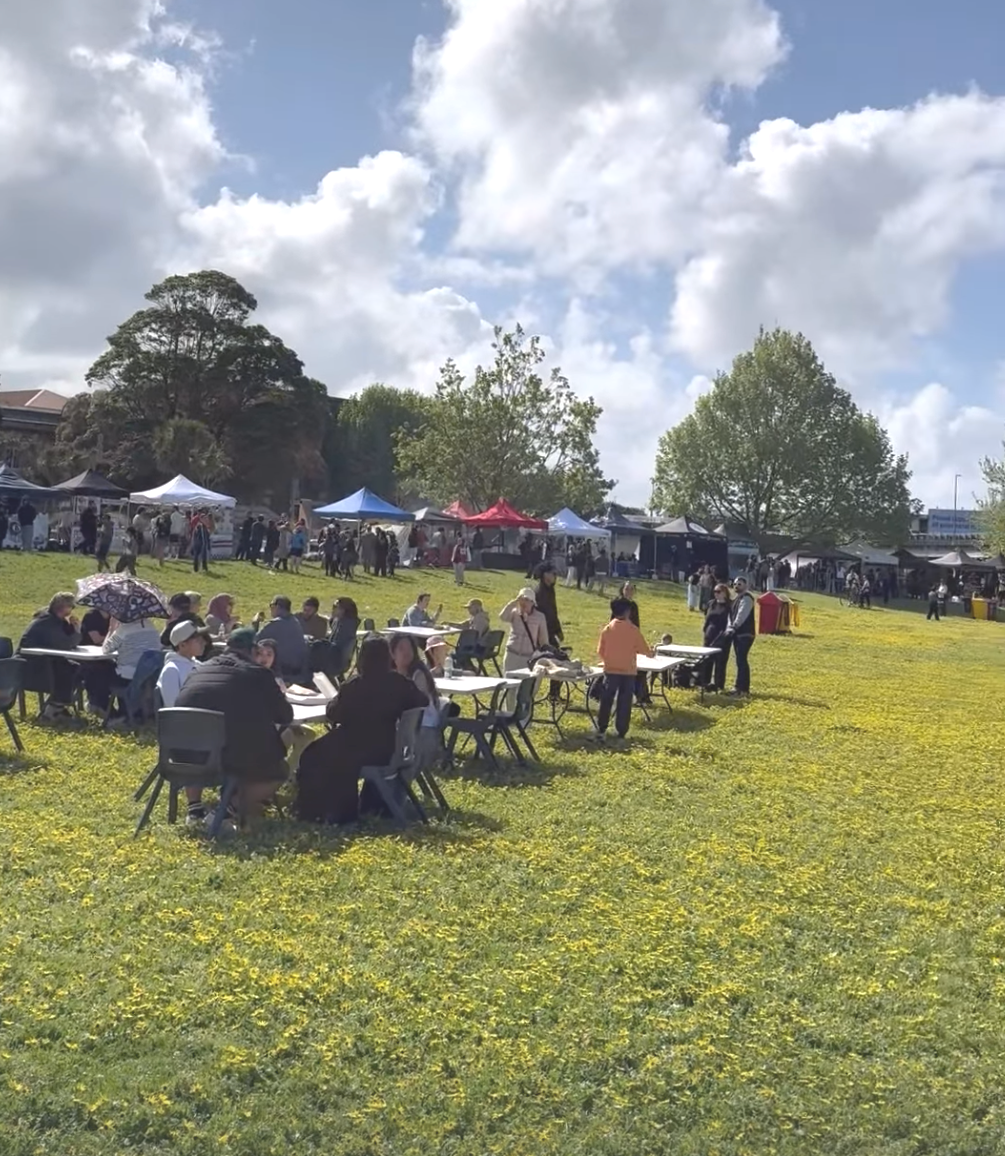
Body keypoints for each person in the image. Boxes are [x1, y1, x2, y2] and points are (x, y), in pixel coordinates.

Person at [295, 637, 428, 825]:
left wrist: (336, 698)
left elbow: (334, 714)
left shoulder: (355, 686)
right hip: (386, 748)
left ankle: (316, 810)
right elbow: (422, 701)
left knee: (312, 756)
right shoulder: (399, 683)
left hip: (355, 746)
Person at [175, 628, 294, 823]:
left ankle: (194, 808)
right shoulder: (258, 674)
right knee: (278, 772)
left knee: (198, 734)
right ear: (253, 651)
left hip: (182, 755)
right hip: (227, 758)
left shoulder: (198, 669)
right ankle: (227, 809)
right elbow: (285, 715)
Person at [593, 598, 654, 746]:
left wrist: (609, 660)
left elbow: (600, 651)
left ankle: (601, 728)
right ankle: (621, 731)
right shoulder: (633, 630)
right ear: (628, 612)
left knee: (606, 700)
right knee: (624, 702)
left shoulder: (607, 629)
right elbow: (644, 650)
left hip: (610, 670)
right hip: (628, 672)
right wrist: (652, 652)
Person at [17, 593, 82, 720]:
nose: (72, 610)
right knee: (68, 669)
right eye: (71, 606)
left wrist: (71, 628)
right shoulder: (47, 623)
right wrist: (77, 630)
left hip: (44, 661)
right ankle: (53, 709)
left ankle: (57, 706)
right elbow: (66, 644)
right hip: (29, 667)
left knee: (74, 667)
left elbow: (67, 642)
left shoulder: (56, 621)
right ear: (63, 607)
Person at [391, 633, 445, 772]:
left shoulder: (418, 674)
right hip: (406, 729)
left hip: (423, 728)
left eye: (409, 648)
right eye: (401, 648)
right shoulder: (392, 674)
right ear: (392, 653)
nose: (406, 652)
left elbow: (415, 705)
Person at [253, 595, 311, 685]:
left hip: (282, 673)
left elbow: (254, 642)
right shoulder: (295, 622)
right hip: (299, 672)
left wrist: (255, 624)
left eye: (271, 606)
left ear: (276, 607)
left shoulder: (274, 624)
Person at [157, 620, 210, 707]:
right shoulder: (171, 670)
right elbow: (172, 706)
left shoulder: (199, 665)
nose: (204, 643)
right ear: (182, 645)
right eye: (198, 640)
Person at [499, 587, 549, 675]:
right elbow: (502, 617)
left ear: (532, 602)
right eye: (521, 599)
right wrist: (512, 604)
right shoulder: (514, 613)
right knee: (508, 681)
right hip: (512, 654)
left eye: (526, 600)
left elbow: (543, 640)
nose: (523, 602)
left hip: (527, 657)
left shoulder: (540, 617)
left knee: (524, 682)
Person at [723, 577, 755, 697]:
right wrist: (729, 628)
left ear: (746, 586)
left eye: (739, 584)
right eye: (735, 584)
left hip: (745, 634)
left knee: (741, 660)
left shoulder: (747, 598)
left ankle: (743, 689)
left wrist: (734, 626)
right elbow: (731, 616)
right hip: (737, 634)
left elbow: (742, 614)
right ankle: (738, 687)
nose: (736, 586)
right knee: (739, 660)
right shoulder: (736, 599)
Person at [701, 583, 732, 692]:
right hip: (709, 634)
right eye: (714, 591)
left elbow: (730, 621)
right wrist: (705, 630)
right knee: (707, 660)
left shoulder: (730, 606)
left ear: (725, 593)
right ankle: (705, 683)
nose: (716, 594)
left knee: (720, 661)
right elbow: (707, 618)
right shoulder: (711, 604)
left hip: (722, 635)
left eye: (718, 592)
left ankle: (719, 685)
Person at [327, 597, 360, 680]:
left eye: (336, 607)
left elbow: (337, 645)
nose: (333, 610)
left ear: (344, 610)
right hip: (335, 656)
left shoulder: (346, 625)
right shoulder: (338, 621)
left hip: (337, 659)